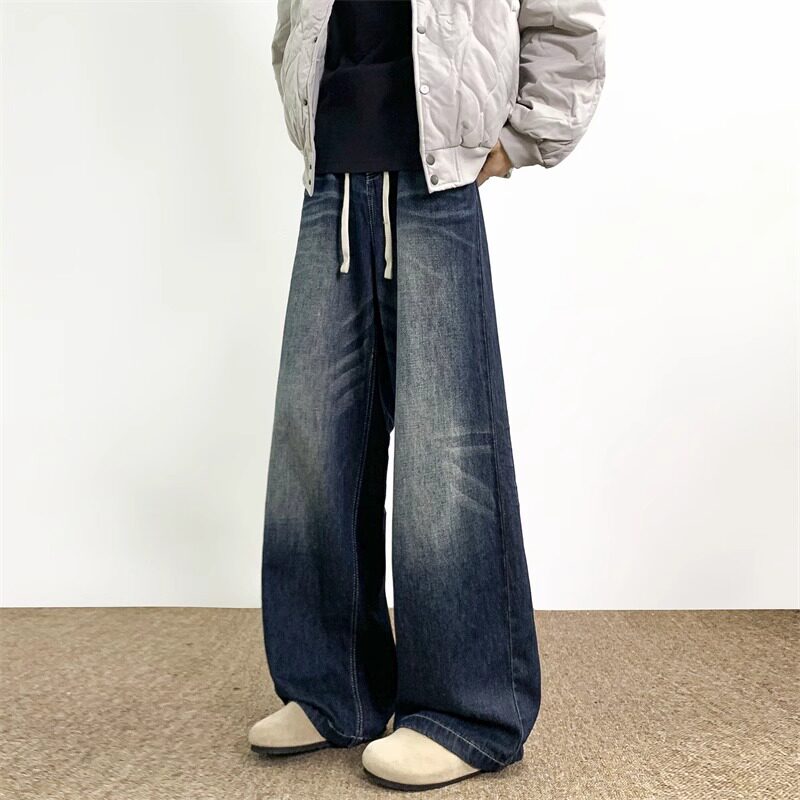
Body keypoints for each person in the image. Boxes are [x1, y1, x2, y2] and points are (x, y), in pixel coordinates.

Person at [249, 0, 605, 791]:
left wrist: (524, 136)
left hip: (436, 179)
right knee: (313, 447)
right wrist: (309, 113)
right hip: (332, 182)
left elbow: (566, 19)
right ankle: (333, 687)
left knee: (446, 454)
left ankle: (468, 712)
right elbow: (293, 25)